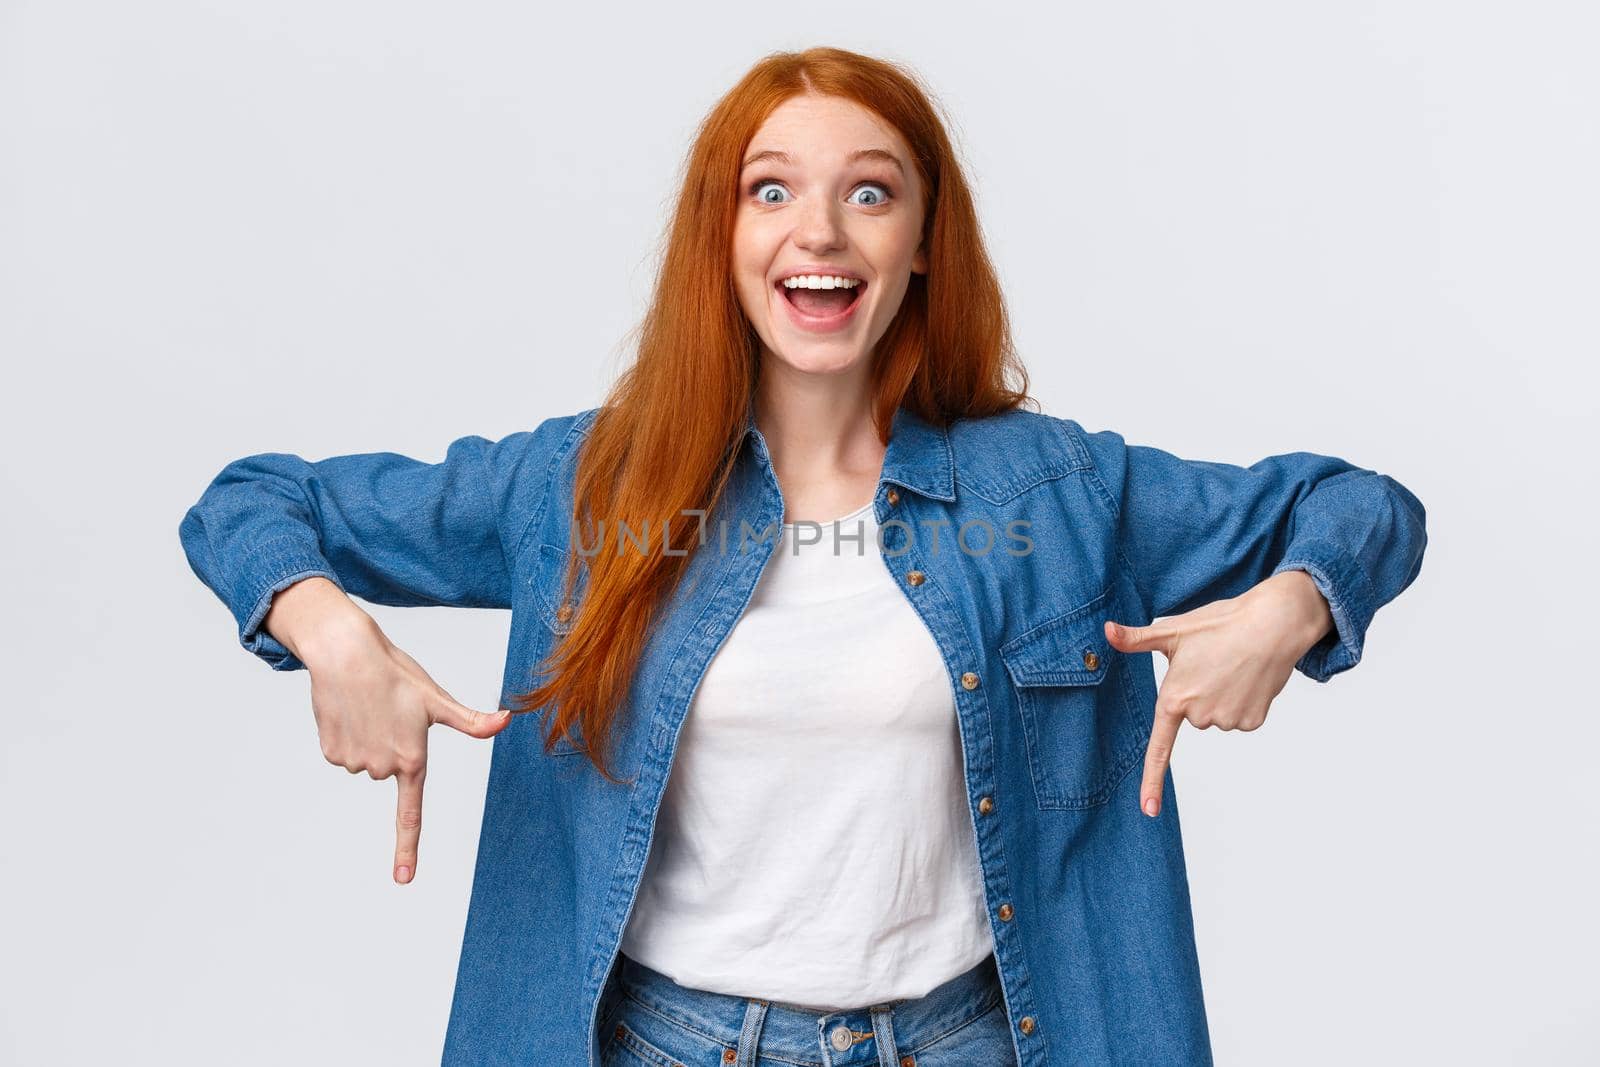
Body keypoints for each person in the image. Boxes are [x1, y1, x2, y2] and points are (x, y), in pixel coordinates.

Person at [178, 46, 1428, 1067]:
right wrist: (327, 627)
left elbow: (1362, 505)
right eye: (769, 190)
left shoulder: (1055, 491)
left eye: (869, 191)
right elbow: (253, 502)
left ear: (923, 238)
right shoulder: (581, 486)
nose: (816, 230)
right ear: (719, 236)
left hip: (970, 1041)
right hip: (663, 1043)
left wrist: (1292, 605)